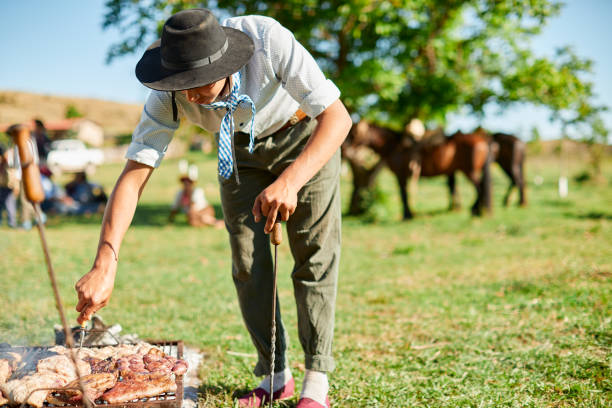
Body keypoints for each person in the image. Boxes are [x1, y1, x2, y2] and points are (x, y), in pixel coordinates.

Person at [74, 8, 351, 408]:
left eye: (195, 83)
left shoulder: (268, 41)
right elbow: (134, 175)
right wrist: (105, 261)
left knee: (314, 256)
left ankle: (315, 381)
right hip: (238, 148)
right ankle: (275, 376)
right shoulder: (167, 92)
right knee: (246, 263)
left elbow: (338, 119)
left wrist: (290, 182)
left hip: (306, 133)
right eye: (179, 84)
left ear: (224, 65)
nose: (186, 96)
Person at [168, 164, 224, 228]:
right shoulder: (180, 193)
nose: (186, 184)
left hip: (204, 210)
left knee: (201, 218)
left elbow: (193, 208)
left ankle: (216, 222)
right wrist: (170, 220)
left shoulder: (197, 191)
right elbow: (175, 208)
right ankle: (215, 222)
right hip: (192, 214)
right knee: (194, 221)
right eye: (184, 182)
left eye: (188, 182)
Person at [0, 144, 18, 228]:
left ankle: (12, 222)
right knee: (9, 202)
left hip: (7, 183)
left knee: (9, 202)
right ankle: (11, 222)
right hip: (5, 183)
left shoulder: (9, 159)